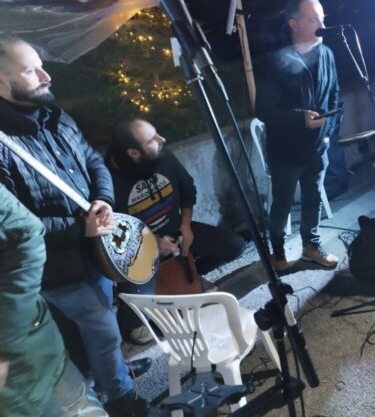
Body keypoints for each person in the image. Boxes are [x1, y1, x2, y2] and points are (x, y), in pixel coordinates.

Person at [0, 34, 149, 416]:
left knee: (102, 324)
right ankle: (122, 400)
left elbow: (92, 160)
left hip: (92, 250)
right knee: (103, 329)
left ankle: (112, 375)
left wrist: (103, 200)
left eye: (41, 66)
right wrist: (78, 228)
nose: (46, 76)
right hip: (56, 269)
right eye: (31, 71)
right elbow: (12, 226)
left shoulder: (55, 116)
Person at [105, 118, 246, 342]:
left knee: (235, 246)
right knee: (137, 322)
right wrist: (152, 244)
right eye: (152, 139)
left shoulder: (163, 156)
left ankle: (192, 276)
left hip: (177, 231)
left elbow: (187, 189)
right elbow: (113, 233)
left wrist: (186, 225)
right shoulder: (108, 179)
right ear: (133, 152)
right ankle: (132, 320)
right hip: (139, 250)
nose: (161, 139)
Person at [0, 184, 108, 417]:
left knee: (105, 333)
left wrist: (102, 199)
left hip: (31, 364)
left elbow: (26, 232)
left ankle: (121, 394)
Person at [255, 0, 340, 271]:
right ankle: (278, 249)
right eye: (314, 19)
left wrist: (328, 131)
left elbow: (334, 95)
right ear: (294, 23)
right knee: (282, 204)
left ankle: (310, 246)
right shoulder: (274, 60)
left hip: (317, 146)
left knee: (313, 198)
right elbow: (263, 110)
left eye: (322, 18)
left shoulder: (326, 53)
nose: (322, 25)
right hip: (286, 150)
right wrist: (300, 118)